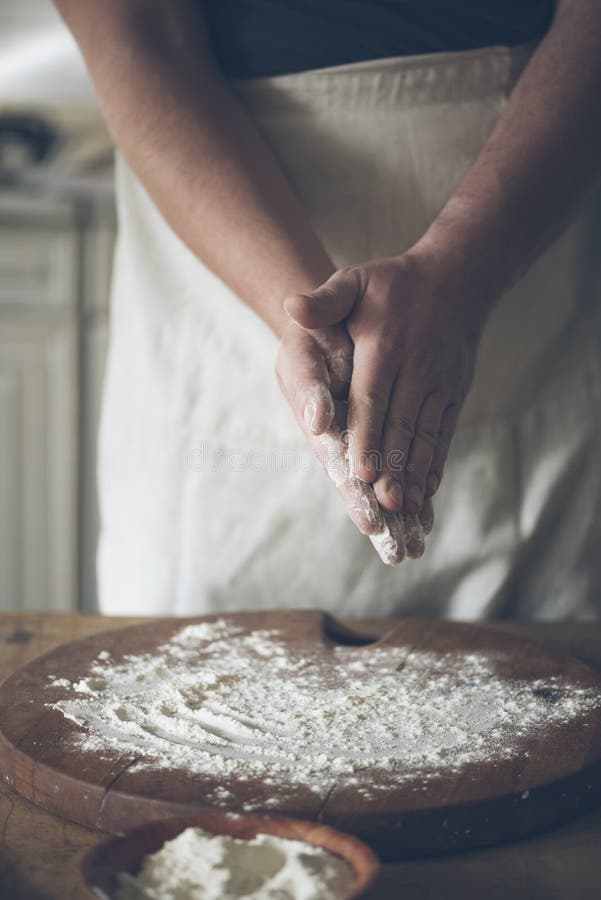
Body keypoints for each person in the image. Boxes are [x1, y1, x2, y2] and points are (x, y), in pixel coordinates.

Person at [54, 1, 601, 618]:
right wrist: (309, 317)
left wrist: (464, 272)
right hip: (216, 290)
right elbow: (138, 39)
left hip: (526, 247)